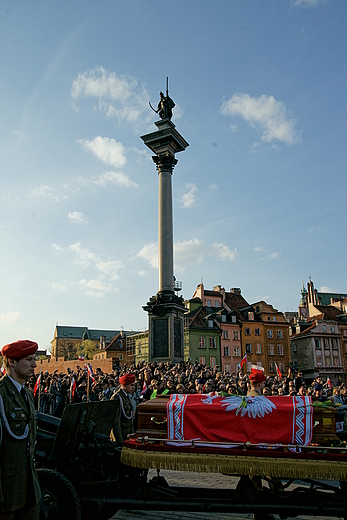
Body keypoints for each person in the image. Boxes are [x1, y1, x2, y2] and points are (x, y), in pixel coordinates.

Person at [0, 339, 41, 519]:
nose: (34, 364)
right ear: (12, 362)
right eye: (28, 359)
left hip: (29, 488)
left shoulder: (25, 394)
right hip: (7, 493)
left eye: (34, 359)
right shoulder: (2, 395)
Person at [110, 373, 136, 444]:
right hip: (122, 435)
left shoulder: (127, 396)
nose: (133, 387)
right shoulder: (117, 397)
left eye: (134, 385)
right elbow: (116, 422)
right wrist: (119, 441)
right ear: (125, 385)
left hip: (128, 435)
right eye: (131, 385)